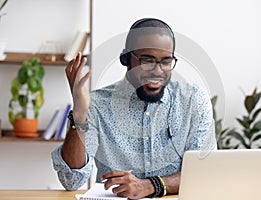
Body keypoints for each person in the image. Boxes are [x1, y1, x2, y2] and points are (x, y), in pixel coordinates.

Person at [51, 18, 216, 199]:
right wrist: (80, 115)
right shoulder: (97, 105)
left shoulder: (193, 101)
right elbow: (71, 180)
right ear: (126, 58)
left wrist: (150, 186)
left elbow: (204, 173)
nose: (158, 71)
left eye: (166, 62)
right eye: (147, 60)